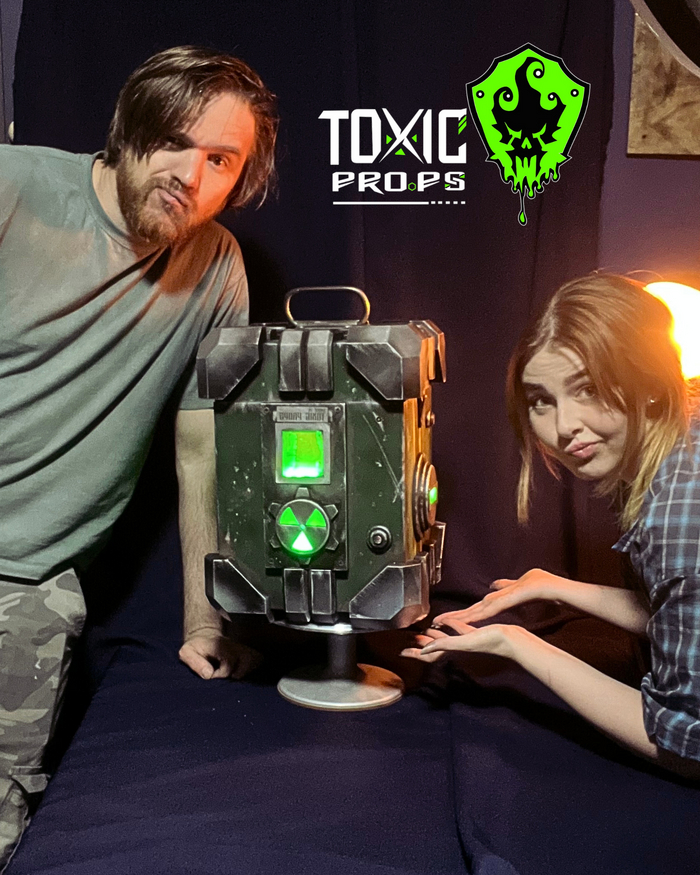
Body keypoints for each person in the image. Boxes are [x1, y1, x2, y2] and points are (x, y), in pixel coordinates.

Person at [0, 45, 278, 867]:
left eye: (220, 159)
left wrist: (205, 618)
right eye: (174, 142)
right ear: (127, 132)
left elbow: (200, 451)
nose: (190, 175)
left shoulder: (219, 269)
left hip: (29, 588)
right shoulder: (14, 189)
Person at [404, 273, 700, 779]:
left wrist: (517, 644)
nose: (565, 427)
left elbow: (687, 743)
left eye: (588, 388)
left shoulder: (679, 512)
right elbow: (680, 617)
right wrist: (556, 586)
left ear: (649, 380)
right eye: (542, 399)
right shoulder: (680, 439)